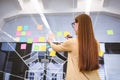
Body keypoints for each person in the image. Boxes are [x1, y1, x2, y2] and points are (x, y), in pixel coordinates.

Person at [47, 14, 100, 80]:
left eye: (74, 24)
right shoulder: (96, 43)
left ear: (79, 25)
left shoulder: (72, 42)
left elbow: (57, 48)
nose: (73, 26)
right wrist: (71, 40)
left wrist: (50, 42)